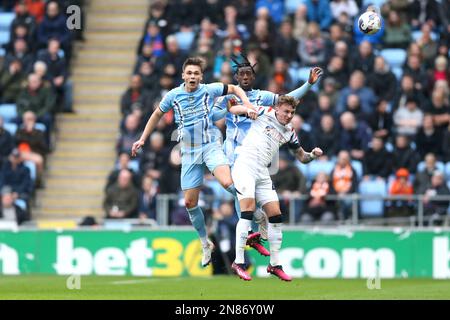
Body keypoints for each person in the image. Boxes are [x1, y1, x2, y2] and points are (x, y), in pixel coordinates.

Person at [131, 57, 257, 268]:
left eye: (196, 73)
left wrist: (248, 104)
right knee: (190, 203)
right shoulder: (173, 95)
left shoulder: (209, 90)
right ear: (183, 75)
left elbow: (235, 88)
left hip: (210, 146)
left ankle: (251, 225)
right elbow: (156, 115)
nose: (192, 77)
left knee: (230, 185)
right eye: (189, 73)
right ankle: (204, 243)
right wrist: (143, 138)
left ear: (201, 77)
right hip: (189, 153)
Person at [227, 95, 323, 281]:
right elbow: (233, 110)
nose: (289, 115)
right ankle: (239, 262)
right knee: (247, 211)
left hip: (262, 171)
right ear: (278, 108)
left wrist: (313, 154)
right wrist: (247, 110)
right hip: (245, 166)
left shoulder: (289, 131)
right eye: (286, 111)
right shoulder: (265, 111)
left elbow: (302, 157)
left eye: (292, 112)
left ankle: (275, 264)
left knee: (276, 215)